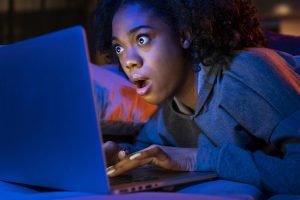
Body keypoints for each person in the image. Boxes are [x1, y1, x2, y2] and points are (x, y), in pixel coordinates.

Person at [91, 0, 300, 198]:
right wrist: (122, 155)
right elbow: (154, 152)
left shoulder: (246, 73)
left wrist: (196, 159)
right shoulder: (167, 113)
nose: (129, 61)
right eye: (119, 48)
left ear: (184, 35)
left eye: (142, 39)